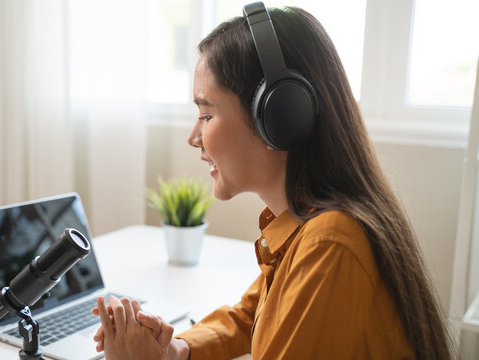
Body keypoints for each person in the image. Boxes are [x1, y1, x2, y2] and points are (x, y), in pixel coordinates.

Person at [92, 3, 454, 359]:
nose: (193, 136)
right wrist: (178, 349)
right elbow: (252, 317)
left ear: (278, 116)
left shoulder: (329, 244)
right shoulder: (305, 224)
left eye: (206, 114)